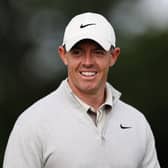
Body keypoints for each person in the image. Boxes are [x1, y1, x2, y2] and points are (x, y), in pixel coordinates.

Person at [3, 12, 160, 168]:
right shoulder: (32, 124)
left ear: (113, 56)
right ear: (63, 55)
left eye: (98, 52)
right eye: (77, 52)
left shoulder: (137, 123)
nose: (87, 62)